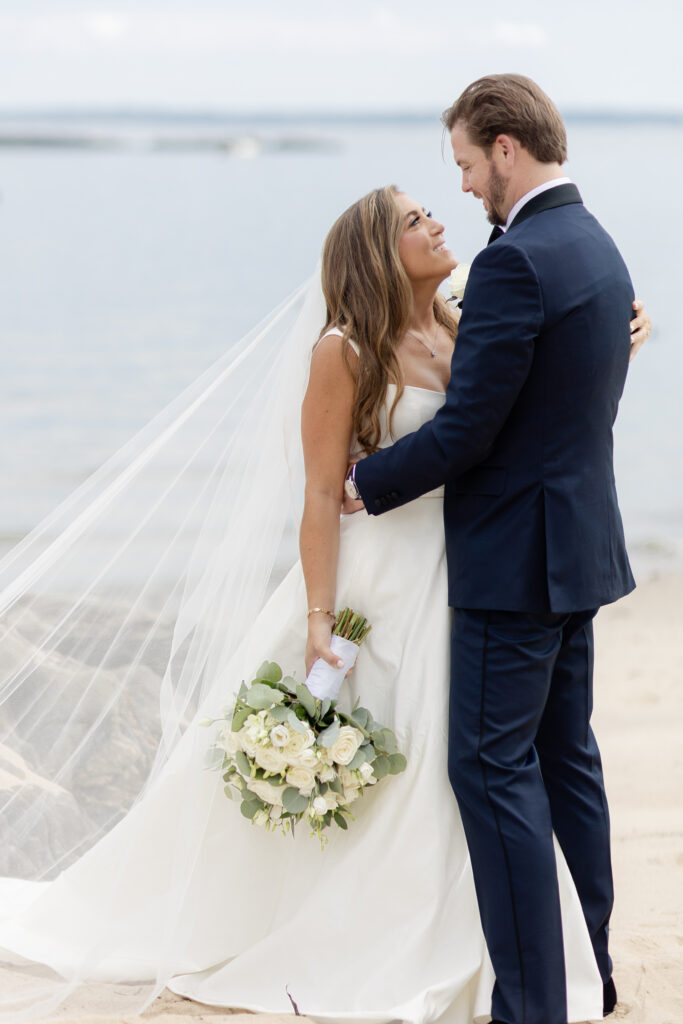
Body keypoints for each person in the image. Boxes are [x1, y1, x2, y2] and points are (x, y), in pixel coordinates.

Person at [0, 189, 651, 1021]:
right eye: (416, 221)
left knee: (462, 770)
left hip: (465, 573)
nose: (438, 223)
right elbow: (316, 493)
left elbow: (516, 405)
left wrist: (611, 334)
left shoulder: (458, 325)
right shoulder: (341, 353)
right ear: (378, 251)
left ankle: (477, 945)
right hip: (379, 584)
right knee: (416, 760)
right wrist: (317, 619)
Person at [348, 75, 642, 1024]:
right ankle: (588, 973)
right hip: (578, 552)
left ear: (505, 149)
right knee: (565, 759)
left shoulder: (517, 261)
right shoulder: (595, 245)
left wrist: (369, 482)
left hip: (514, 562)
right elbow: (558, 401)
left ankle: (530, 1007)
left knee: (487, 767)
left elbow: (470, 427)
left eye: (469, 166)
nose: (468, 188)